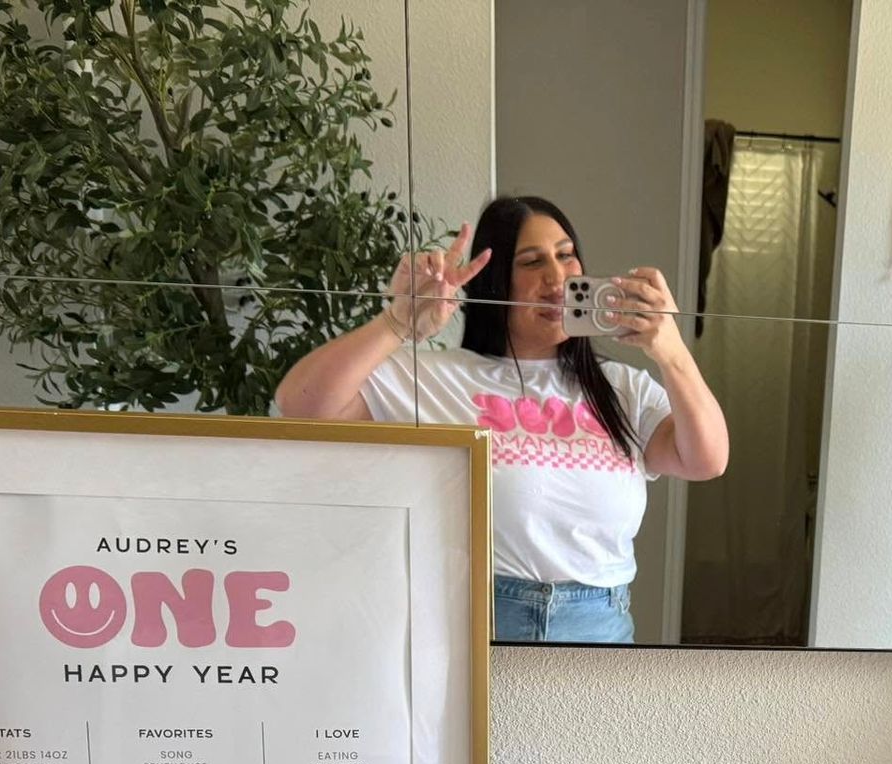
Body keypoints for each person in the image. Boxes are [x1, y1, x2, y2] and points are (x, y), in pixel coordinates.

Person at [276, 196, 729, 643]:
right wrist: (398, 322)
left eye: (566, 255)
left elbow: (706, 459)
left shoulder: (621, 389)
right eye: (531, 262)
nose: (556, 277)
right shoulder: (438, 377)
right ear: (496, 283)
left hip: (599, 631)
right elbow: (301, 404)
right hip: (477, 627)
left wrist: (669, 348)